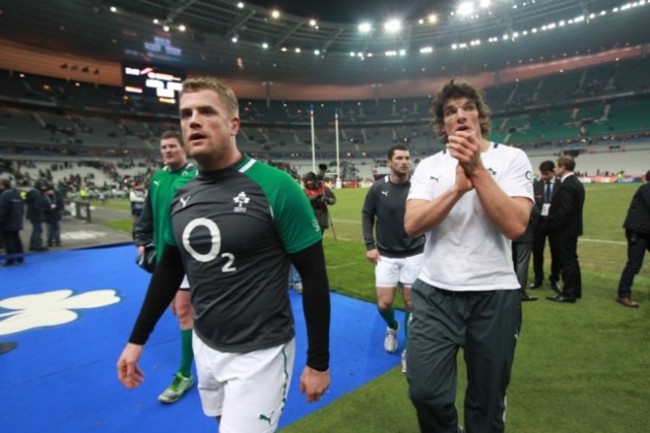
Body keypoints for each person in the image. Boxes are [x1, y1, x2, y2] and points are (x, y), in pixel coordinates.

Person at [117, 77, 331, 433]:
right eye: (186, 114)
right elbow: (169, 270)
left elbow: (314, 277)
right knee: (219, 421)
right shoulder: (180, 195)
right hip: (206, 342)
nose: (193, 121)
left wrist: (319, 362)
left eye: (206, 112)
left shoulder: (277, 187)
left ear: (233, 124)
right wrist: (136, 340)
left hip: (261, 351)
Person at [404, 79, 533, 433]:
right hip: (435, 292)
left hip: (494, 294)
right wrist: (458, 189)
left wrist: (476, 169)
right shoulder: (429, 166)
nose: (460, 115)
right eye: (450, 111)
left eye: (467, 108)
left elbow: (515, 226)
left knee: (488, 400)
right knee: (425, 391)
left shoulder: (510, 158)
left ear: (480, 116)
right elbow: (413, 224)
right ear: (442, 124)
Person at [133, 130, 198, 403]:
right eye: (164, 147)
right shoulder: (158, 178)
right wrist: (142, 241)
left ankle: (185, 373)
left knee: (183, 310)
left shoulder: (195, 176)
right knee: (183, 310)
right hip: (165, 258)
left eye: (172, 146)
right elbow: (147, 215)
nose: (168, 151)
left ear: (184, 149)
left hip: (190, 257)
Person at [361, 144, 424, 374]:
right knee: (384, 304)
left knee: (411, 304)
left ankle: (409, 351)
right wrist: (370, 245)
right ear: (389, 162)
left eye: (407, 157)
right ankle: (392, 326)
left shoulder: (419, 186)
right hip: (386, 255)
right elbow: (367, 215)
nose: (404, 161)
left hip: (415, 253)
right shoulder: (378, 189)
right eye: (399, 158)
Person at [546, 156, 585, 303]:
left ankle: (568, 293)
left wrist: (551, 225)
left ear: (563, 167)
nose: (555, 169)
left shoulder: (567, 185)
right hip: (572, 229)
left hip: (564, 231)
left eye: (556, 166)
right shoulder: (575, 183)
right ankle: (575, 290)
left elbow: (564, 211)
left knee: (566, 262)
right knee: (572, 260)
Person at [615, 169, 650, 308]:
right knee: (634, 264)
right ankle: (623, 295)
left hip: (644, 230)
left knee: (634, 264)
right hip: (639, 232)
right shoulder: (646, 189)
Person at [530, 160, 561, 291]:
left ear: (553, 172)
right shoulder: (536, 185)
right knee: (537, 253)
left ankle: (554, 279)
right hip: (539, 224)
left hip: (555, 224)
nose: (543, 177)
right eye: (542, 174)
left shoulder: (561, 185)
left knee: (556, 253)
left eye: (546, 174)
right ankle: (538, 278)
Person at [513, 201, 540, 301]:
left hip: (509, 233)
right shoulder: (525, 197)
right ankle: (520, 292)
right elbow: (536, 213)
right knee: (522, 264)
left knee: (511, 263)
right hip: (525, 235)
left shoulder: (506, 192)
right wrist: (531, 228)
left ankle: (511, 290)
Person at [0, 178, 25, 267]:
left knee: (8, 242)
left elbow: (2, 211)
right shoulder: (16, 194)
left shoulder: (3, 196)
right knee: (17, 240)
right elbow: (22, 209)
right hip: (16, 221)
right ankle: (20, 258)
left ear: (2, 185)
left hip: (7, 223)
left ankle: (10, 260)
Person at [25, 180, 48, 251]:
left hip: (32, 214)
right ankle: (38, 245)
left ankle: (33, 245)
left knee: (35, 230)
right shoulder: (37, 193)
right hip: (36, 215)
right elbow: (38, 205)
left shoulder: (32, 192)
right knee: (38, 230)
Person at [44, 183, 64, 248]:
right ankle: (49, 242)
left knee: (57, 230)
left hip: (56, 215)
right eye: (49, 190)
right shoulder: (44, 198)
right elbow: (42, 206)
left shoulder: (57, 196)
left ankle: (57, 242)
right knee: (49, 231)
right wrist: (49, 209)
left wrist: (55, 207)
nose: (50, 191)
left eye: (51, 190)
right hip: (48, 216)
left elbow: (61, 205)